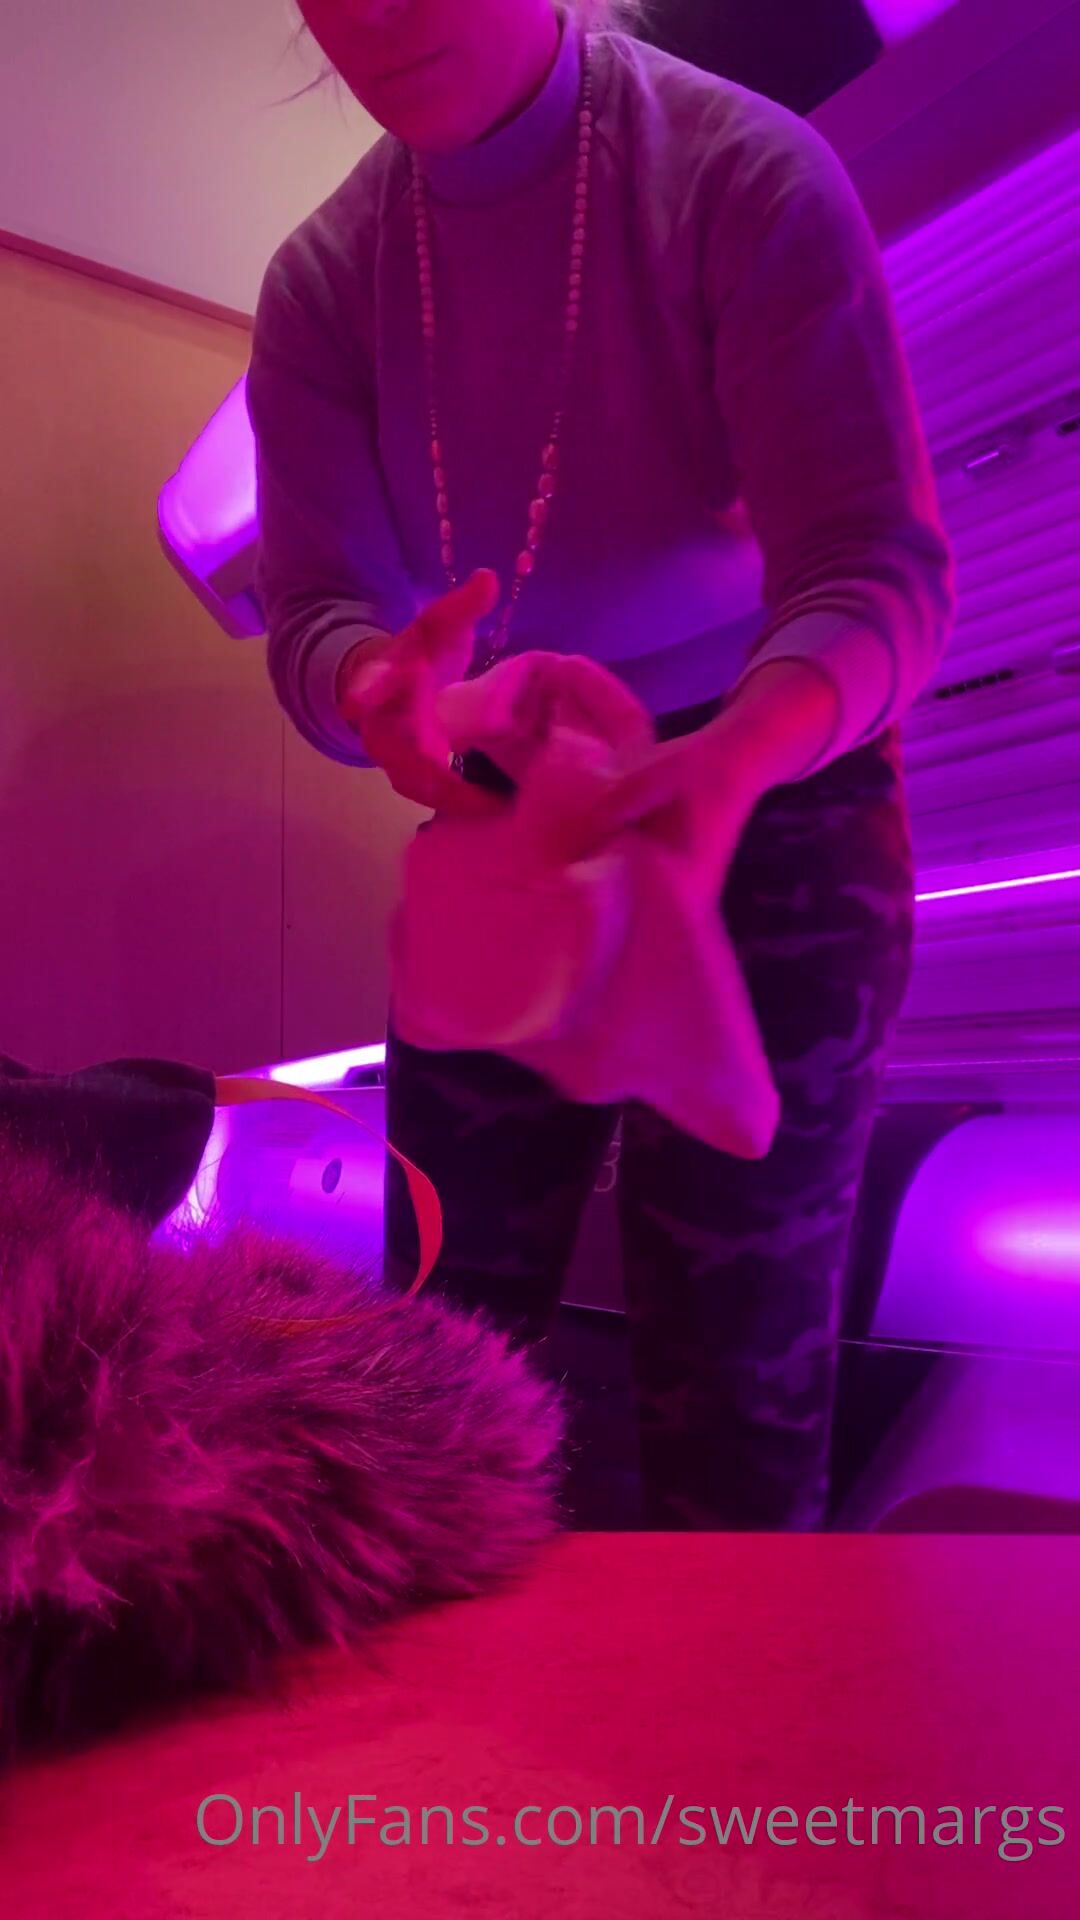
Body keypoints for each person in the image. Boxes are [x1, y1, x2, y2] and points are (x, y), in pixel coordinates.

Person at [247, 0, 953, 1531]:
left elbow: (876, 571)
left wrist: (735, 761)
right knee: (439, 1362)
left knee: (742, 1386)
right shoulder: (323, 281)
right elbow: (315, 614)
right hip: (510, 815)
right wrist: (380, 689)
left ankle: (735, 1691)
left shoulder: (737, 174)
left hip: (773, 805)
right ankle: (462, 1698)